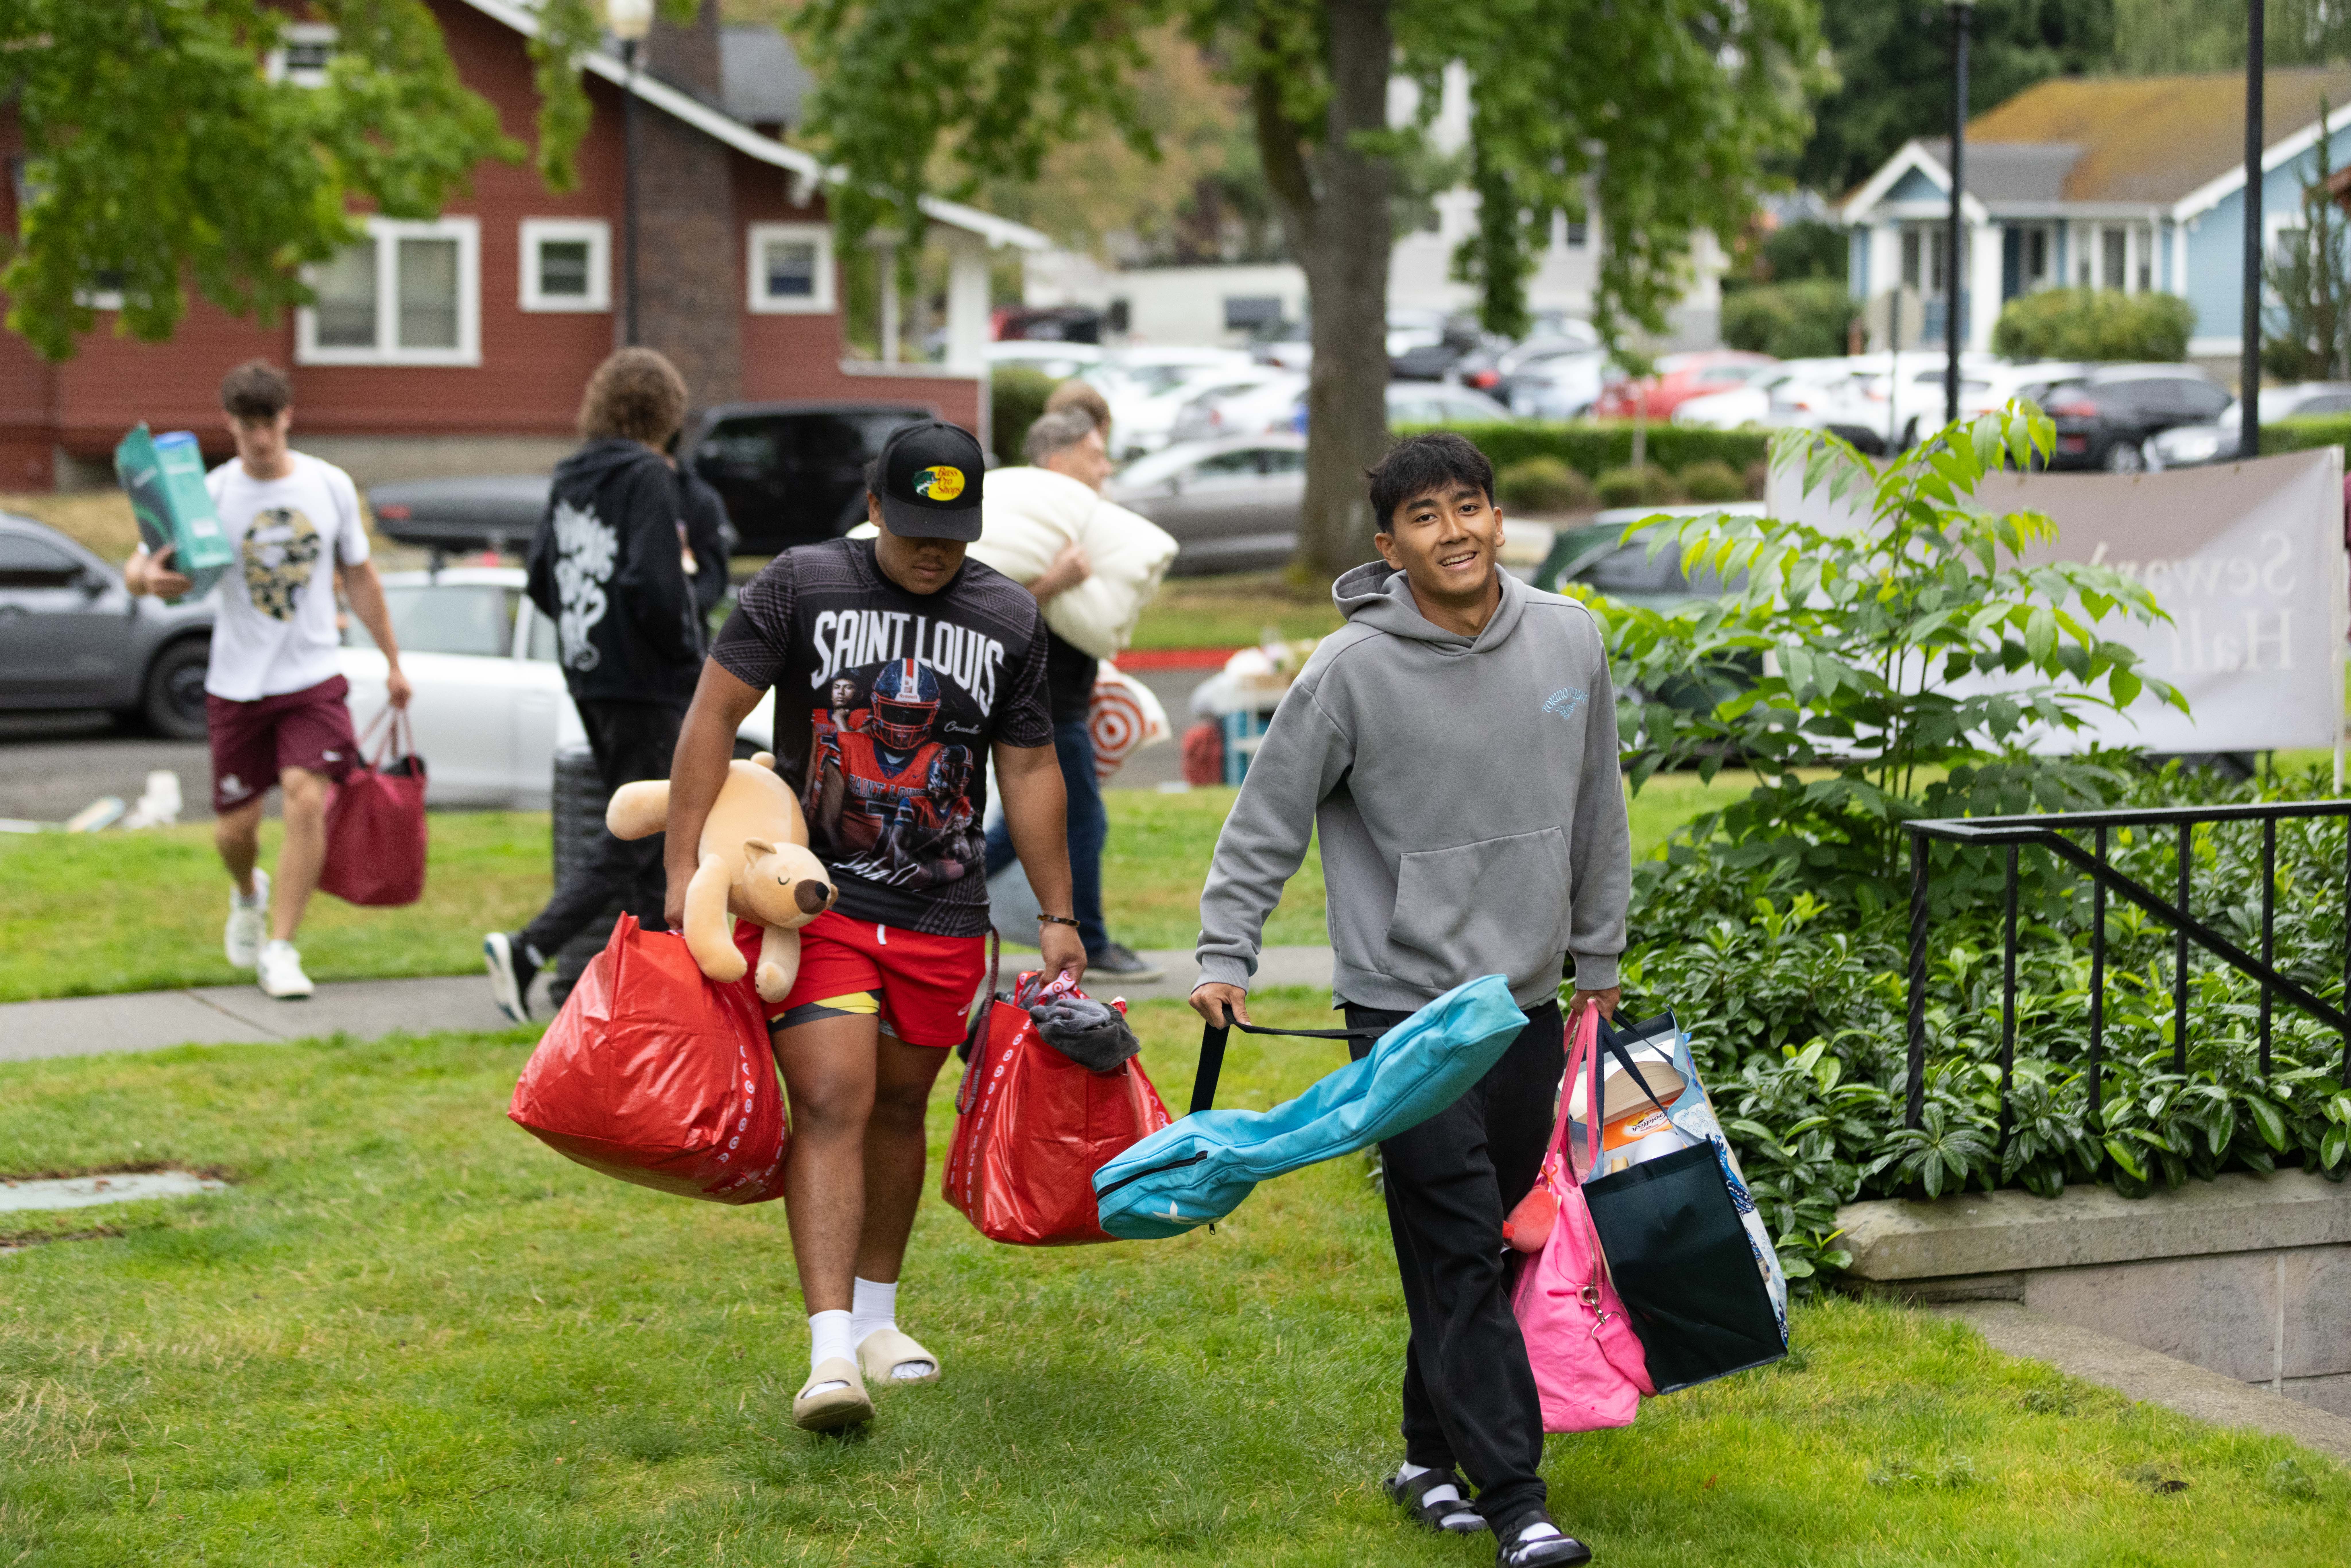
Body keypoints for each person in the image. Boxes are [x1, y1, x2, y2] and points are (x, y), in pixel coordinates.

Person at [1190, 432, 1630, 1567]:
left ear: (1497, 517)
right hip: (1404, 1008)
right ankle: (1517, 1502)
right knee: (1447, 1236)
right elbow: (1268, 817)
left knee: (1488, 1245)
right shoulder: (1347, 672)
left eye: (1470, 506)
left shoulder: (1569, 638)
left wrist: (1597, 965)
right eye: (1425, 516)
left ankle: (1423, 1458)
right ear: (1388, 547)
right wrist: (1223, 952)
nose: (1455, 531)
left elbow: (1597, 815)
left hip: (1528, 994)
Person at [660, 419, 1086, 1433]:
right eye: (914, 527)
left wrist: (1060, 912)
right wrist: (682, 864)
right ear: (872, 506)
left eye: (953, 529)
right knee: (836, 1100)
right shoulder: (800, 584)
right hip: (824, 903)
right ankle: (827, 1354)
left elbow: (1027, 768)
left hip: (945, 914)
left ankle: (880, 1320)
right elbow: (713, 716)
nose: (934, 549)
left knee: (900, 1111)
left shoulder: (1011, 616)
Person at [123, 360, 412, 1000]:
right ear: (229, 424)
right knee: (236, 830)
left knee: (306, 796)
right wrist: (148, 579)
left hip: (312, 674)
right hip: (236, 683)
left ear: (287, 416)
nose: (260, 437)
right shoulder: (211, 494)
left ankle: (281, 947)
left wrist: (392, 659)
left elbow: (360, 576)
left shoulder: (329, 485)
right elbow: (139, 564)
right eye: (247, 425)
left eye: (270, 423)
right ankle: (247, 891)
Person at [484, 348, 709, 1021]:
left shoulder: (572, 475)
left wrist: (595, 635)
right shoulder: (647, 476)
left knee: (646, 838)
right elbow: (655, 583)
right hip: (649, 680)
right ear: (666, 411)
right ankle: (529, 946)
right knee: (649, 827)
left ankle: (648, 991)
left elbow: (541, 580)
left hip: (588, 672)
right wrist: (687, 655)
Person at [979, 406, 1165, 979]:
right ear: (1059, 461)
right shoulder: (1022, 528)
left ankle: (934, 895)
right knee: (1079, 821)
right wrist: (1055, 581)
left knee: (1023, 827)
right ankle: (1095, 942)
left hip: (1067, 700)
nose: (1105, 467)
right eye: (1094, 454)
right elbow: (994, 613)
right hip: (1044, 704)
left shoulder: (1070, 522)